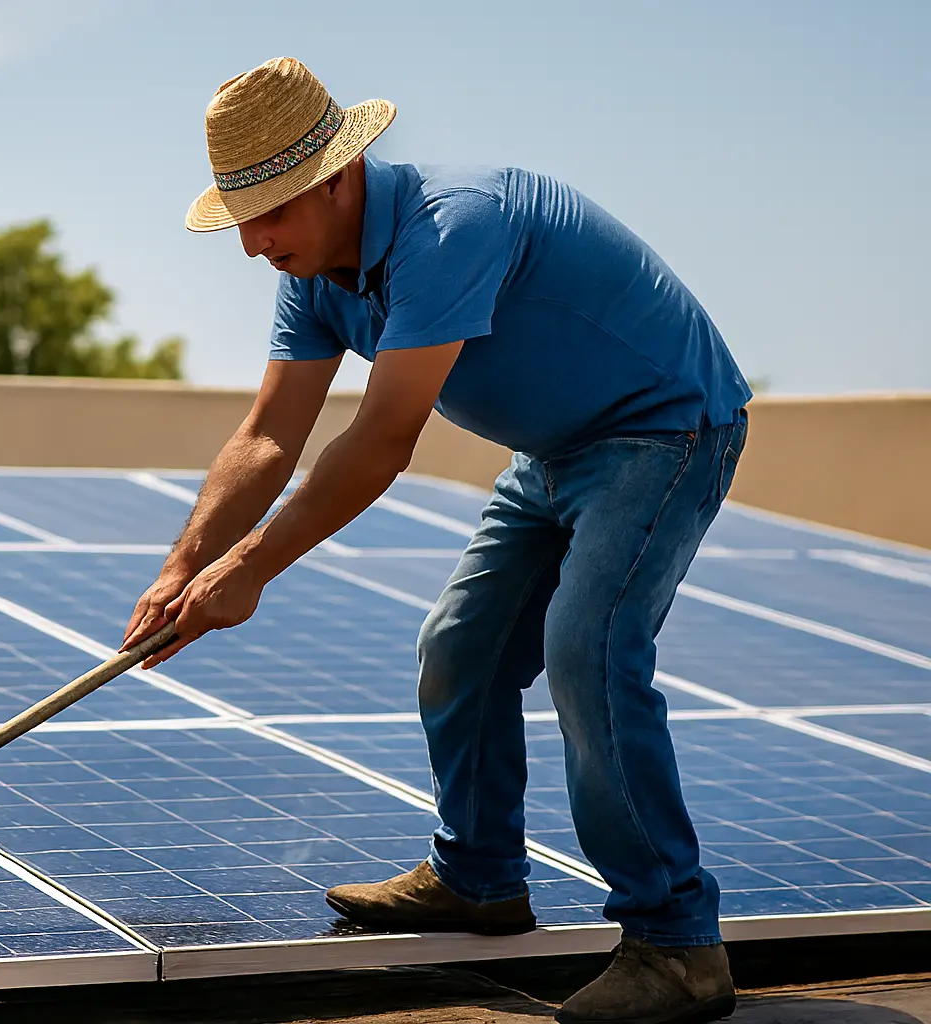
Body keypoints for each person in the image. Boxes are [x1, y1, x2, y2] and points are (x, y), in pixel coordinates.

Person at [120, 57, 750, 1024]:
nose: (252, 245)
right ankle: (481, 879)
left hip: (664, 432)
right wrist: (184, 566)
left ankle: (676, 948)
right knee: (460, 649)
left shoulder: (454, 225)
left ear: (337, 179)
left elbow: (379, 441)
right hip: (552, 452)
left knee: (587, 651)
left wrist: (248, 571)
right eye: (241, 218)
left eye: (270, 214)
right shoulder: (317, 270)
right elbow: (268, 434)